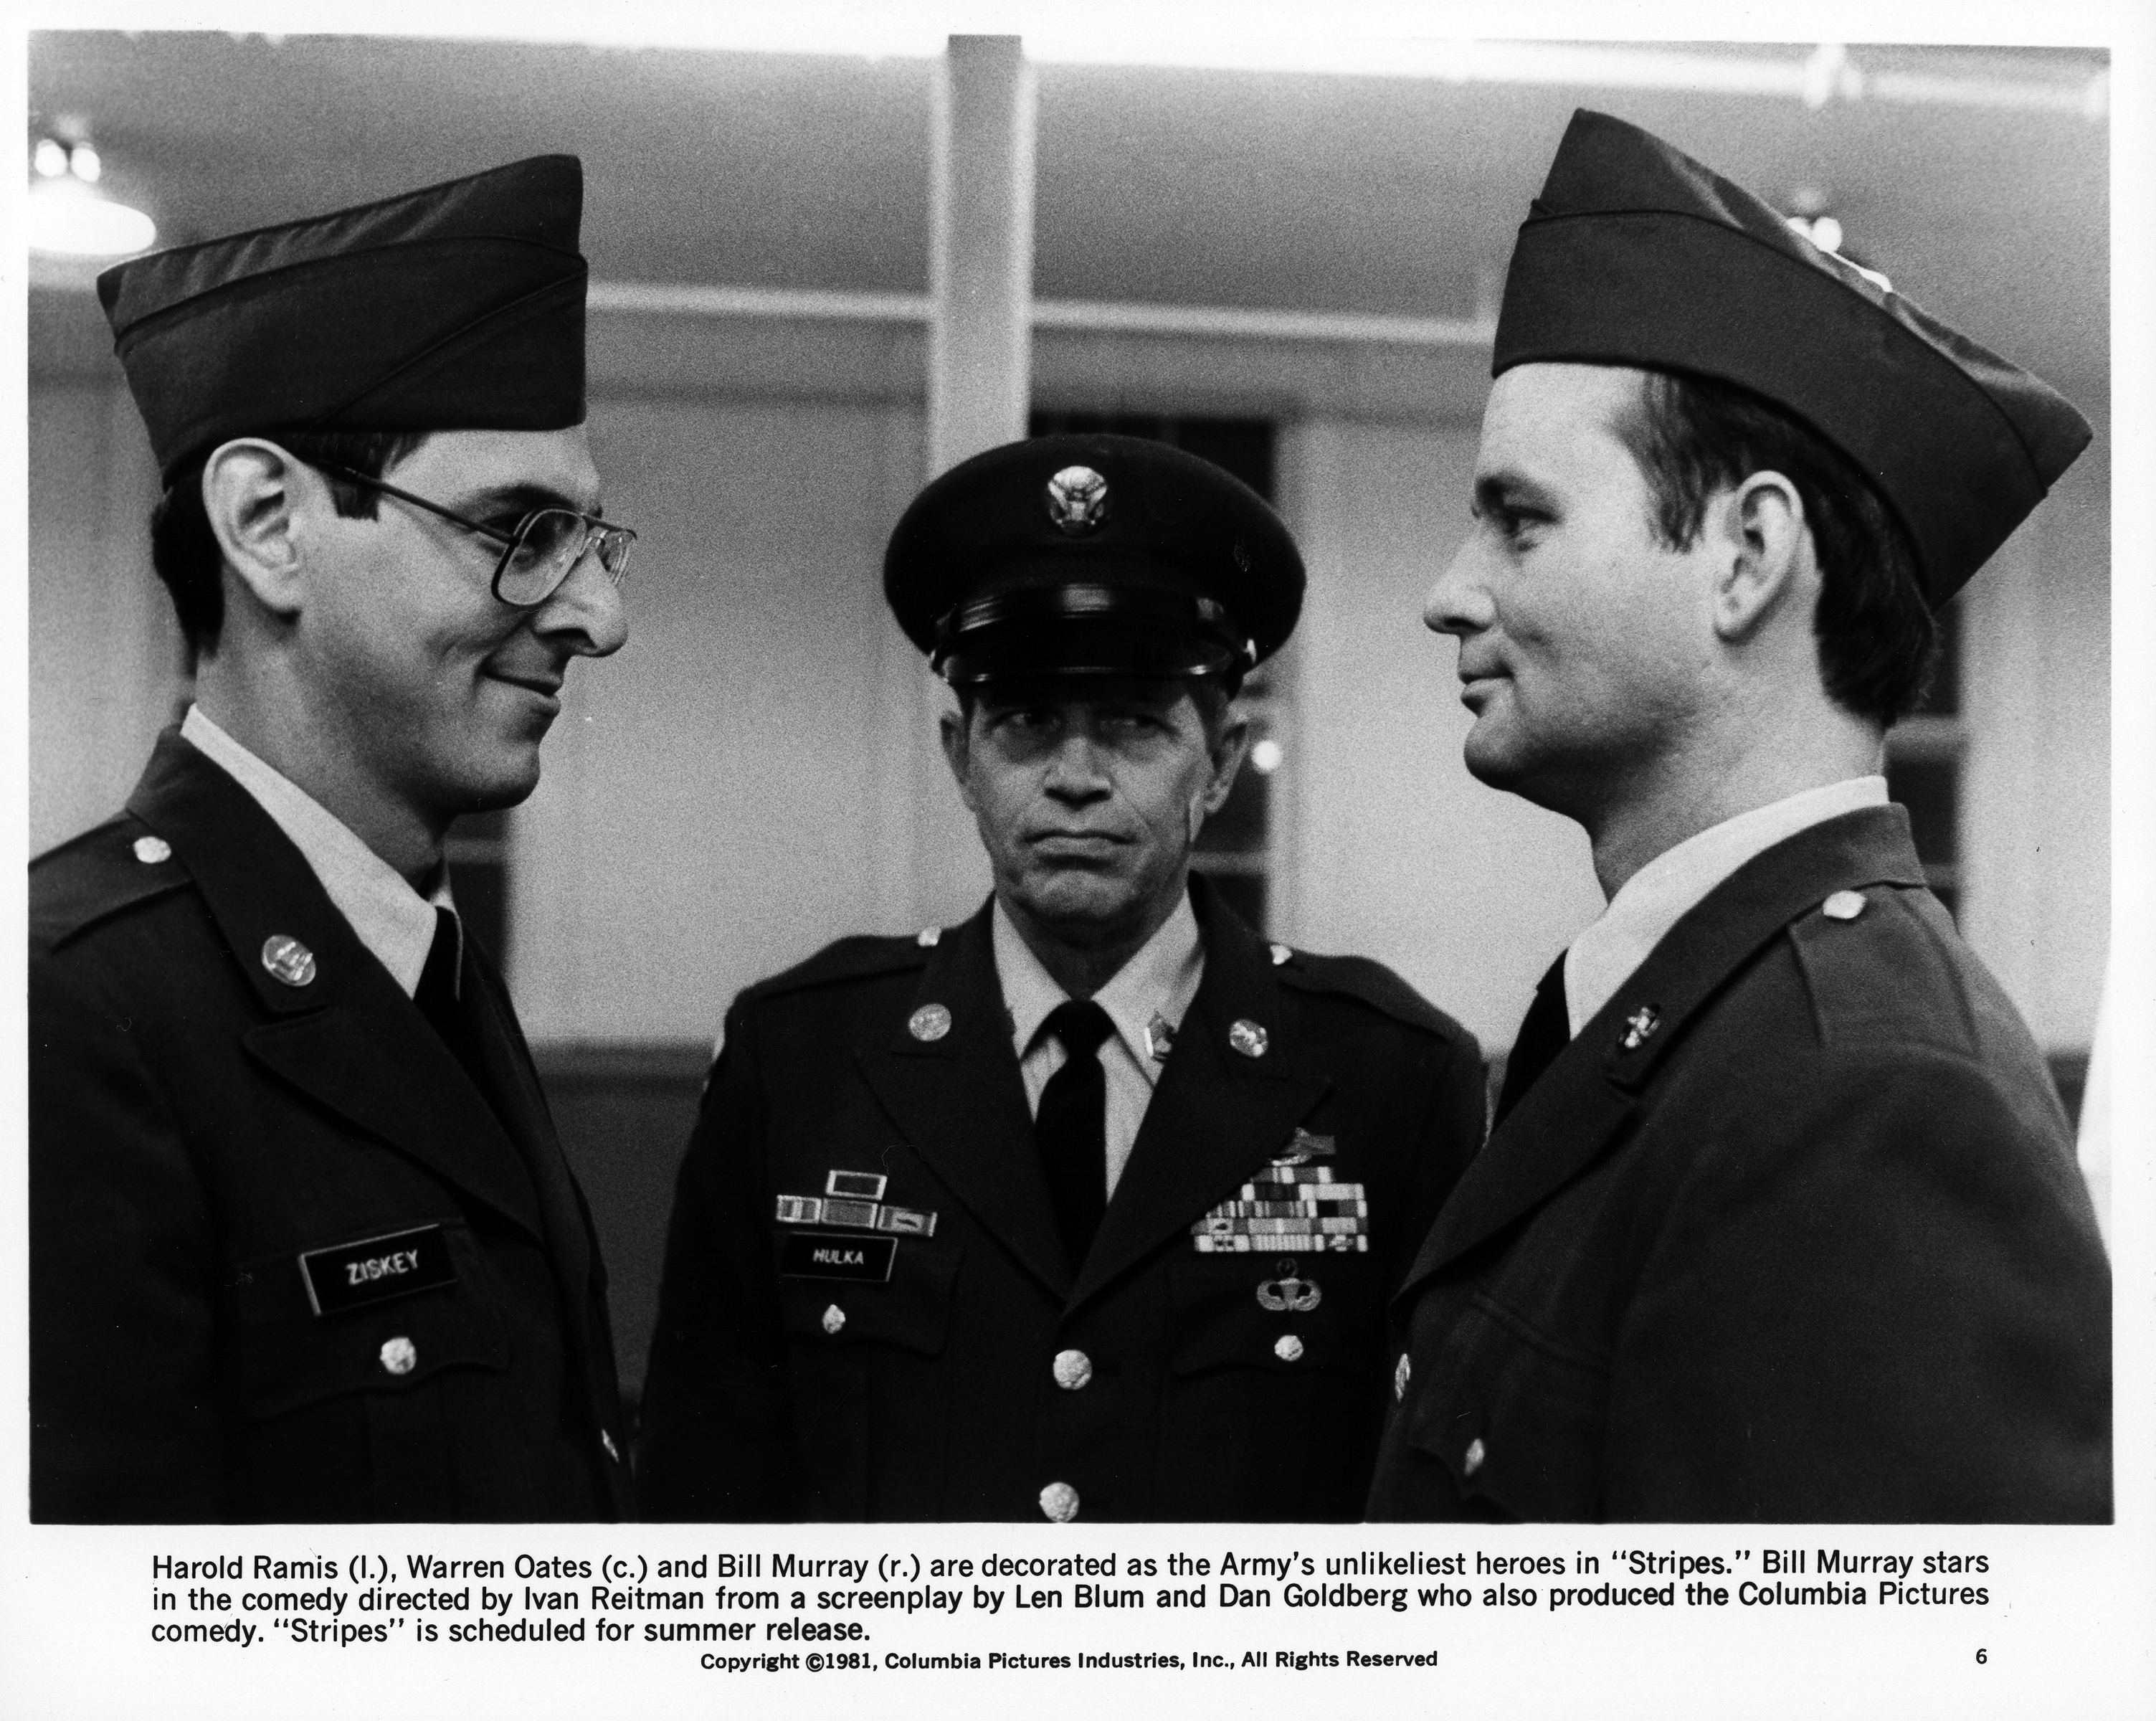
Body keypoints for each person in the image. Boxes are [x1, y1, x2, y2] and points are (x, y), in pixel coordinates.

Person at [1367, 110, 2110, 1523]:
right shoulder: (1719, 1025)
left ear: (1744, 558)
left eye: (1518, 520)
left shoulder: (1861, 1100)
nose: (1450, 592)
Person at [640, 435, 1486, 1521]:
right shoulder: (802, 1059)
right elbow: (704, 1503)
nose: (1077, 778)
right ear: (961, 756)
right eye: (1028, 723)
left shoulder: (1387, 1080)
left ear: (1222, 760)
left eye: (1134, 725)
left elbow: (1423, 1530)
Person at [30, 156, 637, 1522]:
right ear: (268, 526)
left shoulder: (418, 966)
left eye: (593, 541)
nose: (599, 618)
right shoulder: (70, 1010)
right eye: (521, 530)